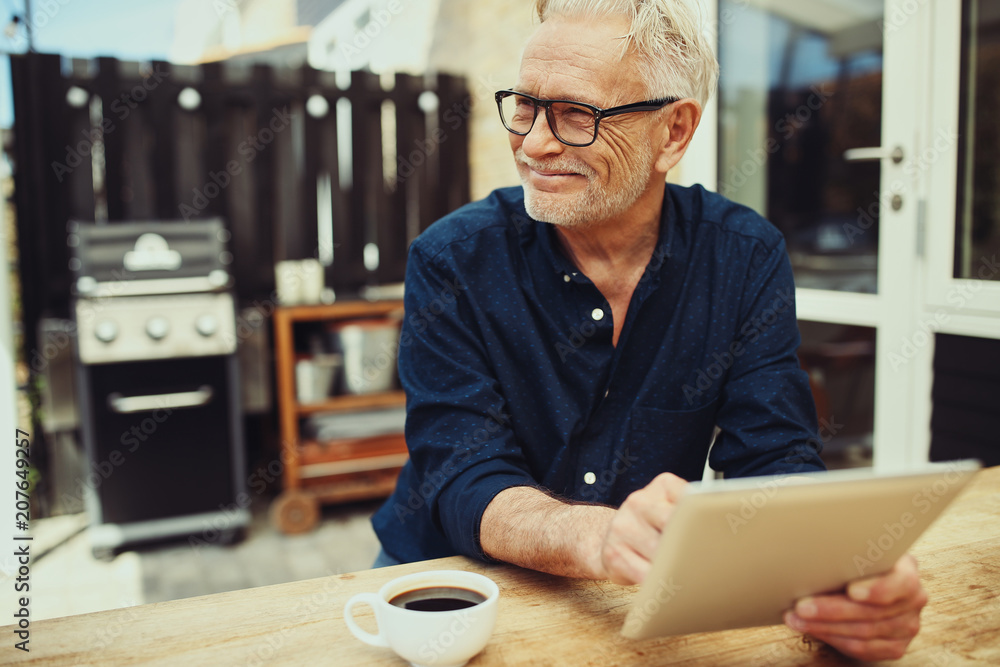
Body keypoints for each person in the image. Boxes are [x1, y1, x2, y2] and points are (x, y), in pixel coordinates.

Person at [371, 0, 927, 660]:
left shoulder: (745, 258)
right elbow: (463, 473)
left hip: (627, 596)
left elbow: (774, 457)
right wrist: (598, 537)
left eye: (577, 114)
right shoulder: (452, 259)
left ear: (673, 132)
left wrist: (842, 581)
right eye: (524, 105)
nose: (534, 142)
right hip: (446, 585)